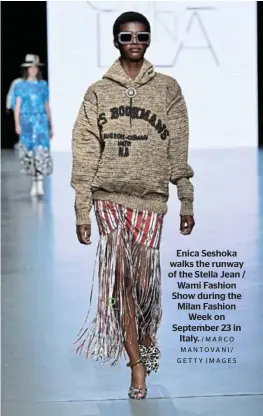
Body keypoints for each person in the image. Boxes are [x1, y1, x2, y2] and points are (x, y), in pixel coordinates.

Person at [71, 11, 195, 400]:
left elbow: (178, 146)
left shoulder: (168, 89)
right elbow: (85, 149)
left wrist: (185, 197)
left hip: (151, 200)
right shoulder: (97, 92)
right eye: (126, 36)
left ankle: (144, 336)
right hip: (108, 198)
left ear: (149, 39)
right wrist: (82, 207)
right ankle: (136, 366)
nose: (135, 41)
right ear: (115, 41)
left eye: (142, 35)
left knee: (144, 285)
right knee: (122, 280)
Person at [12, 54, 53, 197]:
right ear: (27, 69)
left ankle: (40, 183)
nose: (33, 69)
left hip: (41, 121)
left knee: (41, 153)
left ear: (38, 69)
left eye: (35, 67)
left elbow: (46, 105)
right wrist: (17, 124)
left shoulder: (43, 85)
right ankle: (34, 182)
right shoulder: (20, 86)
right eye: (31, 67)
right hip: (26, 122)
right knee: (29, 153)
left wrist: (50, 125)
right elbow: (17, 106)